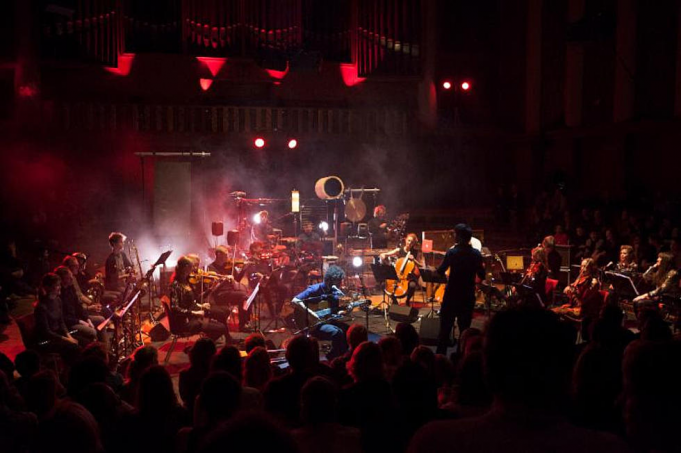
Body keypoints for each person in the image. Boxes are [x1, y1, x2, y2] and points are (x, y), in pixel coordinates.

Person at [435, 224, 485, 354]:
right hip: (467, 295)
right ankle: (461, 357)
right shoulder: (476, 254)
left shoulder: (452, 252)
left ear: (460, 236)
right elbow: (482, 275)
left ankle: (440, 357)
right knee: (464, 330)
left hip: (451, 294)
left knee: (445, 329)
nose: (453, 237)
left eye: (455, 234)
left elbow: (440, 271)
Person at [291, 265, 349, 361]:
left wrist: (343, 312)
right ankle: (333, 358)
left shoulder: (334, 293)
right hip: (311, 324)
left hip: (325, 321)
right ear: (330, 280)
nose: (340, 283)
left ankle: (341, 356)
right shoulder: (315, 289)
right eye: (338, 281)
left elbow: (333, 312)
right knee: (337, 333)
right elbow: (295, 300)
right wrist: (311, 314)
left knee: (348, 330)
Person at [168, 255, 230, 341]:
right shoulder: (175, 285)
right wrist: (194, 313)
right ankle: (203, 346)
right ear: (185, 268)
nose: (193, 270)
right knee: (221, 327)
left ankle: (206, 344)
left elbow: (193, 301)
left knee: (221, 320)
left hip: (192, 317)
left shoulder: (185, 281)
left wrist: (201, 305)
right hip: (185, 322)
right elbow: (175, 308)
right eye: (191, 267)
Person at [33, 273, 80, 362]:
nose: (60, 287)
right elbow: (46, 332)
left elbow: (61, 322)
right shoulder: (41, 307)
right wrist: (68, 340)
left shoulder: (58, 300)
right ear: (49, 288)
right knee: (75, 348)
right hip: (47, 340)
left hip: (58, 335)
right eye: (57, 285)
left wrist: (69, 336)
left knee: (84, 341)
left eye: (59, 284)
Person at [380, 233, 424, 306]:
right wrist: (383, 254)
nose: (409, 243)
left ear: (414, 243)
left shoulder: (416, 252)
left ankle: (407, 301)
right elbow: (385, 254)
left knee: (412, 285)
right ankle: (394, 301)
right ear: (405, 240)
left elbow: (421, 265)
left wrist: (414, 260)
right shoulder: (399, 250)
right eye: (409, 240)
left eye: (412, 242)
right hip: (398, 274)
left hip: (409, 276)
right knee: (384, 284)